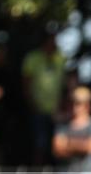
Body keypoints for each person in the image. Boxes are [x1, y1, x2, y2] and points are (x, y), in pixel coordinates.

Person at [22, 32, 66, 165]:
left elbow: (63, 84)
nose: (54, 45)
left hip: (56, 111)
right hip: (38, 109)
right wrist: (32, 105)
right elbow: (26, 83)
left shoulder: (60, 58)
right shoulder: (32, 58)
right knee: (39, 146)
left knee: (58, 145)